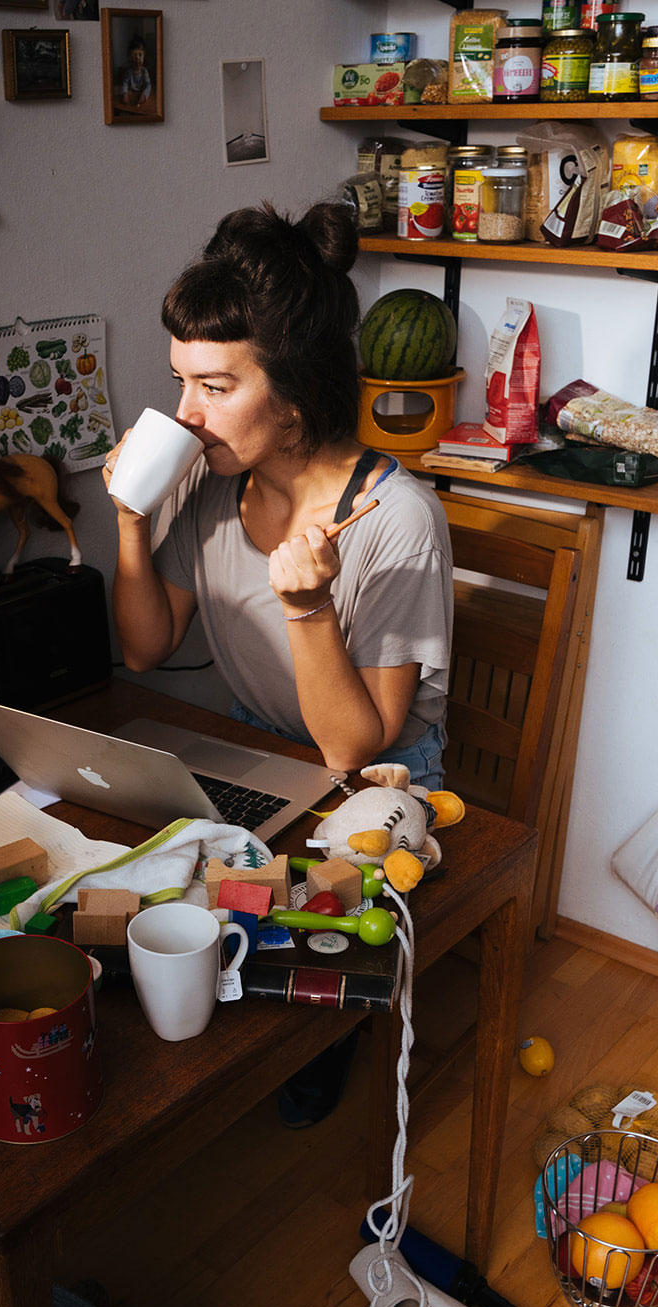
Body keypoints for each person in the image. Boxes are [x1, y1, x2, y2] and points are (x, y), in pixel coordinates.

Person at [104, 200, 452, 1126]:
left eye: (215, 387)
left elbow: (352, 747)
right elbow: (146, 643)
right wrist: (133, 524)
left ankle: (315, 1033)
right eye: (181, 382)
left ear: (294, 394)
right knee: (134, 907)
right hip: (257, 756)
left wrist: (307, 607)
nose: (185, 415)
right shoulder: (219, 485)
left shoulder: (396, 521)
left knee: (248, 964)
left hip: (376, 790)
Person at [115, 36, 152, 110]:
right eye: (134, 55)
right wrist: (125, 93)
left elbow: (148, 85)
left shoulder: (144, 72)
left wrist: (145, 95)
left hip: (141, 93)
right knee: (124, 100)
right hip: (132, 93)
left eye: (140, 55)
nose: (137, 58)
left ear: (144, 56)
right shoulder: (129, 72)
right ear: (130, 57)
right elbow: (125, 83)